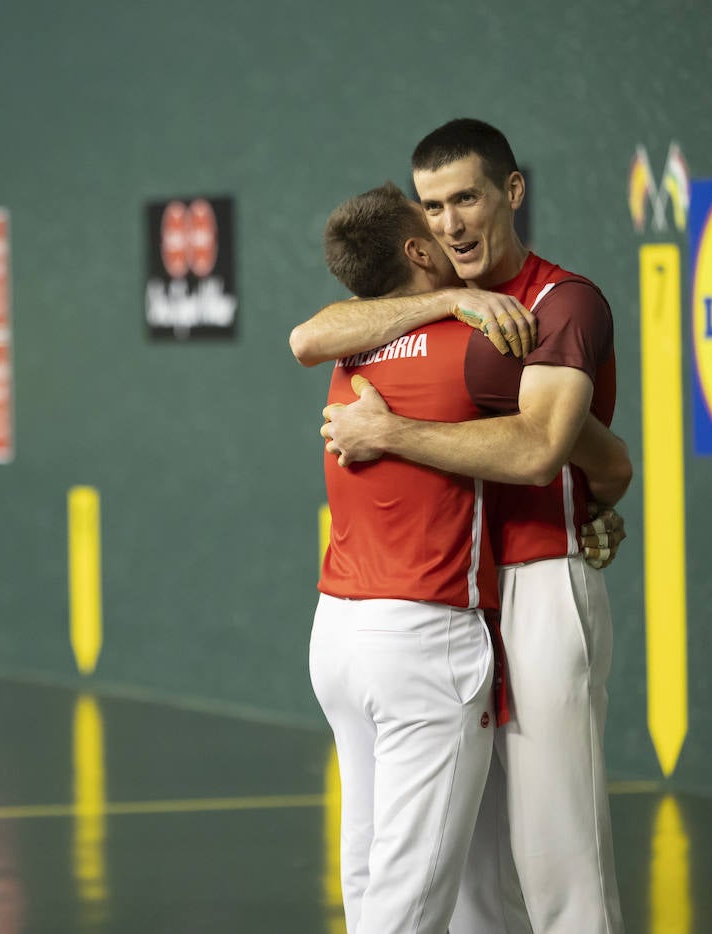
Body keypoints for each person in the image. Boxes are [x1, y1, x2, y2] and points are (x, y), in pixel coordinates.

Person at [307, 119, 629, 933]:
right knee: (472, 875)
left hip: (544, 579)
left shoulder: (565, 302)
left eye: (467, 198)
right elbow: (310, 335)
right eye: (433, 206)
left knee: (560, 855)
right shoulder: (423, 313)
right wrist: (453, 298)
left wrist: (389, 434)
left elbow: (542, 450)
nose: (451, 223)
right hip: (460, 601)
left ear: (511, 194)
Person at [307, 181, 501, 933]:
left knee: (368, 868)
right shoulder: (476, 344)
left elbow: (307, 335)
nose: (454, 231)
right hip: (423, 641)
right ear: (419, 251)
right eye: (435, 223)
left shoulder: (348, 341)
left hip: (339, 638)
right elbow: (543, 446)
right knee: (411, 897)